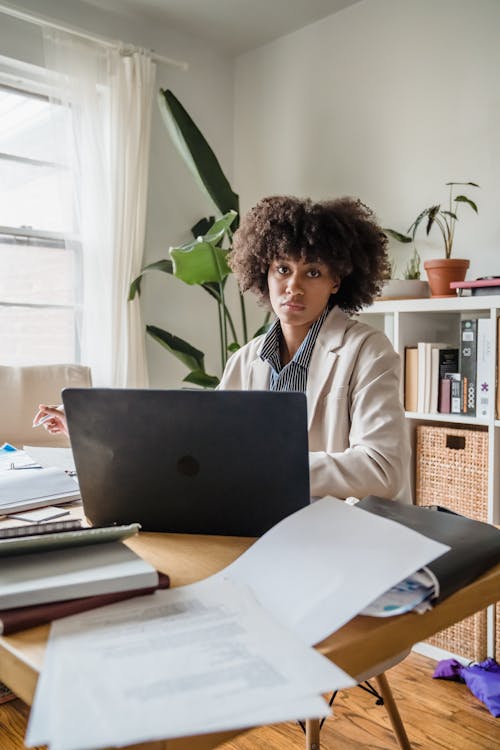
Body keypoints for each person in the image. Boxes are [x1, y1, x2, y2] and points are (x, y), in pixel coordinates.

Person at [34, 195, 409, 501]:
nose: (293, 287)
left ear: (336, 282)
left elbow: (381, 470)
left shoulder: (369, 352)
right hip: (255, 521)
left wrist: (266, 468)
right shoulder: (246, 359)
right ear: (263, 270)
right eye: (282, 269)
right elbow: (196, 444)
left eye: (312, 272)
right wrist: (92, 429)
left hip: (339, 532)